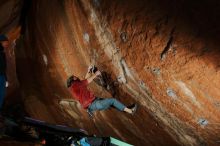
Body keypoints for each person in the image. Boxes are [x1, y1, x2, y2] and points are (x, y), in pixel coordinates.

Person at [67, 66, 137, 118]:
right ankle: (131, 111)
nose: (77, 77)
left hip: (93, 103)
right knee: (112, 101)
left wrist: (89, 71)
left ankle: (126, 109)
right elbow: (87, 81)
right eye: (75, 76)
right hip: (93, 104)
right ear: (74, 78)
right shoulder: (75, 85)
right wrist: (96, 74)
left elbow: (85, 80)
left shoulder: (76, 86)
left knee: (111, 104)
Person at [0, 34, 9, 115]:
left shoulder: (2, 53)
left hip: (2, 76)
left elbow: (3, 67)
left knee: (2, 94)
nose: (7, 44)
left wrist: (6, 79)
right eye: (5, 42)